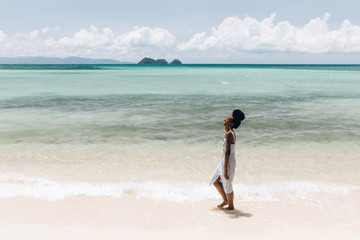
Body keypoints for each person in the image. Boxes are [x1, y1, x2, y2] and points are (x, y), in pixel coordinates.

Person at [209, 109, 245, 210]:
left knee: (227, 183)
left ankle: (231, 206)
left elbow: (227, 152)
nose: (225, 119)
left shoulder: (229, 134)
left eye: (227, 119)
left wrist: (225, 170)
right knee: (216, 181)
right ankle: (226, 200)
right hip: (225, 160)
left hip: (228, 161)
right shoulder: (228, 132)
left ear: (232, 123)